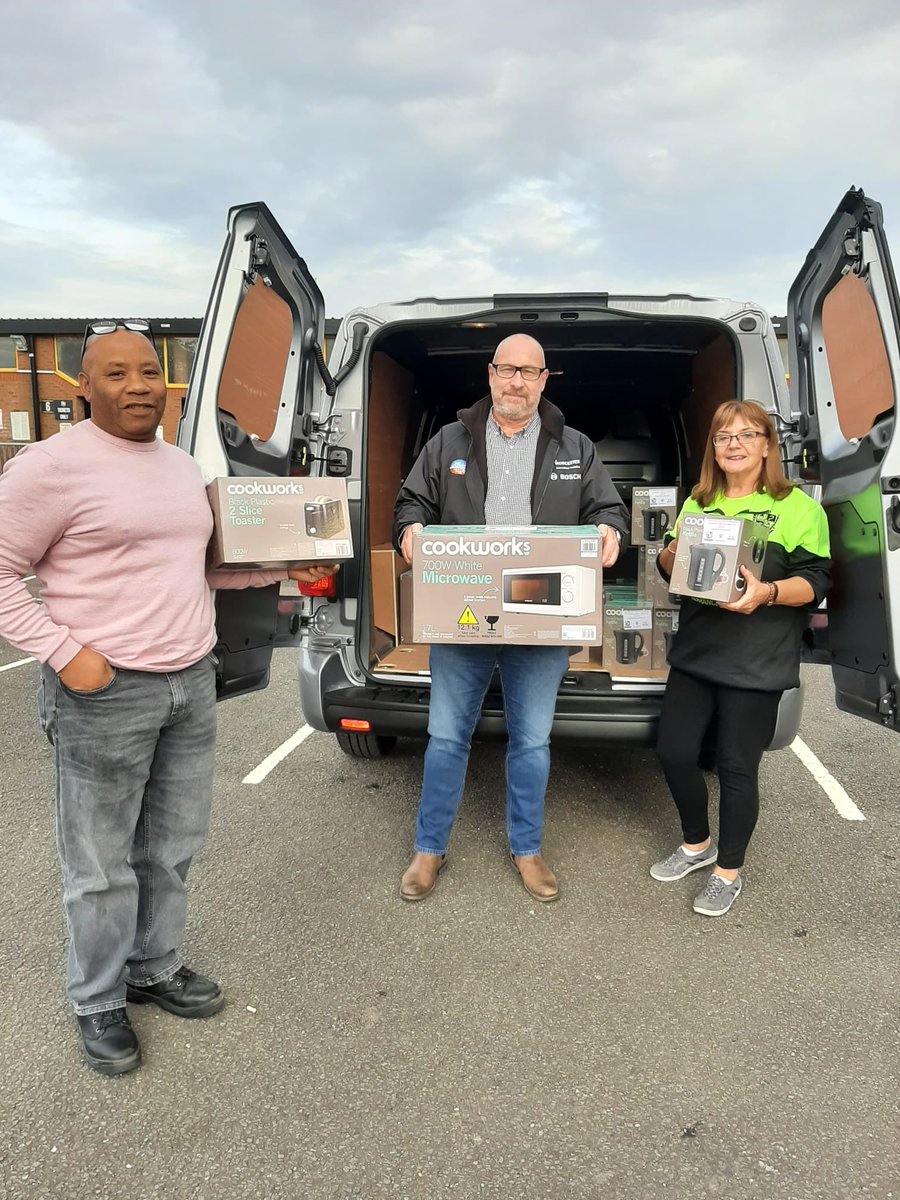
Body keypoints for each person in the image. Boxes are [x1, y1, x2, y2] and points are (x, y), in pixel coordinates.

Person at [0, 324, 338, 1076]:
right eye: (115, 374)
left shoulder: (183, 467)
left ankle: (153, 967)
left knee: (172, 848)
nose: (139, 385)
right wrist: (64, 654)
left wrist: (283, 568)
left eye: (149, 371)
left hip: (190, 683)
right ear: (84, 386)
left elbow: (203, 569)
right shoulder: (47, 468)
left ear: (168, 382)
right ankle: (97, 999)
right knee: (99, 865)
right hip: (103, 692)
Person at [393, 333, 628, 903]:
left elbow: (609, 508)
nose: (517, 381)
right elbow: (409, 505)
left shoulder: (575, 447)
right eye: (507, 369)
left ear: (544, 380)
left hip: (539, 617)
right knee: (446, 735)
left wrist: (608, 533)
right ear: (491, 375)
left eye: (529, 371)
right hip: (463, 612)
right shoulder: (447, 440)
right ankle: (429, 848)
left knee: (532, 741)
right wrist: (411, 535)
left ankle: (527, 849)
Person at [652, 399, 831, 916]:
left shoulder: (797, 507)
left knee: (735, 767)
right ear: (713, 447)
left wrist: (767, 593)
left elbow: (816, 582)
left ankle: (727, 871)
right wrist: (670, 554)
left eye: (746, 435)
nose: (734, 444)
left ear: (767, 445)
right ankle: (695, 844)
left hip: (758, 658)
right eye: (724, 436)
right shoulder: (699, 500)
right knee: (675, 753)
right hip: (698, 650)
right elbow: (669, 564)